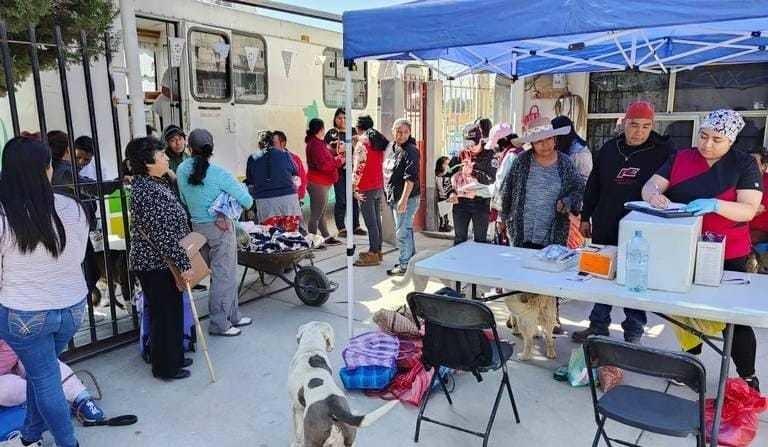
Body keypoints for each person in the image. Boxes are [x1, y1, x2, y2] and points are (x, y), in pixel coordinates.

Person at [642, 109, 763, 391]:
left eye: (716, 139)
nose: (707, 144)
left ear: (731, 141)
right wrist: (653, 196)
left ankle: (747, 375)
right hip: (684, 248)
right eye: (704, 136)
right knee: (685, 309)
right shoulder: (682, 157)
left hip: (728, 252)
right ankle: (691, 363)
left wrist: (716, 205)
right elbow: (651, 185)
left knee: (733, 316)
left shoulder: (743, 164)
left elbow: (748, 209)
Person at [0, 136, 89, 447]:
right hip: (73, 308)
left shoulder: (4, 215)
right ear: (47, 169)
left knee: (44, 377)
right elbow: (78, 258)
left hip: (25, 314)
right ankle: (30, 434)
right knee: (43, 374)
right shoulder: (72, 207)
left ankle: (68, 443)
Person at [571, 101, 674, 344]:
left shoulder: (663, 152)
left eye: (646, 126)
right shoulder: (609, 149)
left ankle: (634, 331)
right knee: (600, 274)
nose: (639, 131)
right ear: (624, 123)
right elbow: (593, 184)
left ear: (653, 126)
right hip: (606, 221)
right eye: (634, 125)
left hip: (641, 228)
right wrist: (586, 216)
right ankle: (598, 325)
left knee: (634, 278)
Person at [126, 136, 194, 380]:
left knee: (171, 310)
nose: (166, 157)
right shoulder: (148, 190)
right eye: (161, 154)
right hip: (156, 263)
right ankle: (165, 366)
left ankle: (173, 356)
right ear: (147, 162)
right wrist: (184, 264)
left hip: (161, 261)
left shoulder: (156, 183)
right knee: (164, 314)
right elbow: (164, 235)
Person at [177, 129, 254, 337]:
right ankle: (220, 323)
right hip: (220, 229)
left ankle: (234, 315)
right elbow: (247, 201)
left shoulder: (182, 170)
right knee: (224, 275)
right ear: (211, 149)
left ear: (189, 148)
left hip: (197, 227)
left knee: (222, 274)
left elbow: (183, 199)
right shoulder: (220, 173)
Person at [499, 116, 584, 249]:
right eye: (539, 141)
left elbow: (578, 189)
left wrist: (567, 202)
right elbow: (507, 190)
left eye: (549, 139)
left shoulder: (565, 163)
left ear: (555, 139)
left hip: (553, 234)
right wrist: (502, 217)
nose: (546, 145)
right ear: (532, 143)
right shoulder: (521, 162)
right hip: (522, 234)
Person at [0, 340, 104, 423]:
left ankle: (81, 398)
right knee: (6, 389)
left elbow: (10, 346)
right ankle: (52, 395)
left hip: (12, 359)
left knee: (36, 358)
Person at [448, 122, 497, 245]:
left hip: (480, 202)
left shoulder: (491, 154)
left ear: (480, 140)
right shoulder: (461, 154)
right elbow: (448, 174)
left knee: (480, 240)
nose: (470, 148)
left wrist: (473, 173)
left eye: (473, 144)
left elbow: (492, 179)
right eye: (467, 144)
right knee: (459, 239)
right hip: (461, 203)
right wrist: (451, 192)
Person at [384, 118, 420, 276]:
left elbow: (410, 178)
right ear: (393, 132)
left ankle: (405, 264)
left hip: (407, 198)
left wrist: (404, 200)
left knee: (402, 232)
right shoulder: (392, 147)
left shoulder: (411, 150)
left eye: (406, 132)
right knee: (406, 229)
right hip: (394, 196)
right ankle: (412, 259)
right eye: (399, 132)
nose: (402, 135)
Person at [351, 115, 389, 267]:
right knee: (376, 222)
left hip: (366, 186)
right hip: (378, 185)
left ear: (359, 127)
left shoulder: (362, 143)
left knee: (370, 222)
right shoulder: (377, 140)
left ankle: (373, 253)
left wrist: (353, 186)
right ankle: (378, 250)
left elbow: (359, 167)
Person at [246, 131, 302, 231]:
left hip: (265, 202)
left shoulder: (253, 157)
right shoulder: (285, 154)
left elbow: (250, 180)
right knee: (291, 235)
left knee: (270, 236)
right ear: (272, 142)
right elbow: (295, 170)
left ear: (259, 144)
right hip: (288, 200)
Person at [325, 108, 365, 237]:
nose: (342, 120)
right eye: (339, 118)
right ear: (335, 119)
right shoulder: (332, 133)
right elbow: (327, 152)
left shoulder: (353, 132)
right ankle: (341, 228)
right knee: (341, 199)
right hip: (339, 172)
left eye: (345, 118)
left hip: (353, 171)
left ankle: (356, 226)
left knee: (354, 199)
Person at [306, 118, 344, 246]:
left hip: (321, 182)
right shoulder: (316, 144)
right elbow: (323, 165)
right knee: (316, 215)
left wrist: (334, 157)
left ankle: (326, 236)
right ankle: (312, 241)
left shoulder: (316, 142)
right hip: (318, 183)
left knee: (321, 213)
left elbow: (325, 160)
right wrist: (338, 161)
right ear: (321, 129)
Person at [552, 116, 592, 181]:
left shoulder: (580, 153)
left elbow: (585, 181)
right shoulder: (562, 147)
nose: (553, 138)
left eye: (554, 135)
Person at [273, 130, 308, 203]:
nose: (272, 146)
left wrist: (299, 195)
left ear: (283, 143)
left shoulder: (294, 159)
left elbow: (302, 177)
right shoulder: (267, 160)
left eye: (274, 143)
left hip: (291, 198)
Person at [748, 147, 768, 245]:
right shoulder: (736, 180)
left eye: (754, 163)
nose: (749, 166)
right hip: (740, 231)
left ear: (764, 166)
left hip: (761, 235)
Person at [434, 156, 453, 233]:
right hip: (442, 196)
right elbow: (440, 186)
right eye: (446, 164)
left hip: (447, 195)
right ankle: (443, 225)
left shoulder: (448, 173)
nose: (447, 166)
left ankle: (446, 224)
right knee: (443, 212)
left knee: (446, 212)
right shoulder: (439, 175)